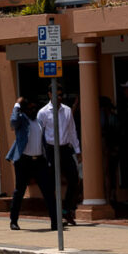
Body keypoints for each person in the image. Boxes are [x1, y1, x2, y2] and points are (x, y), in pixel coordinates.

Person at [6, 97, 57, 231]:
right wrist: (17, 104)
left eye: (35, 108)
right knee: (19, 191)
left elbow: (43, 141)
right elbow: (13, 122)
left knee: (48, 191)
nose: (33, 111)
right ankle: (13, 221)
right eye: (30, 108)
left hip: (39, 161)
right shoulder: (21, 120)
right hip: (24, 160)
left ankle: (55, 222)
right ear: (25, 110)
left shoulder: (39, 122)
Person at [37, 86, 81, 225]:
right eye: (57, 95)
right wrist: (39, 153)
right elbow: (39, 134)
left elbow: (72, 131)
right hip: (50, 150)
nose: (59, 98)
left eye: (61, 95)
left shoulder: (67, 110)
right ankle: (55, 215)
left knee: (74, 179)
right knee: (51, 183)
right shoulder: (43, 112)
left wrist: (77, 150)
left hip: (65, 149)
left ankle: (67, 209)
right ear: (50, 94)